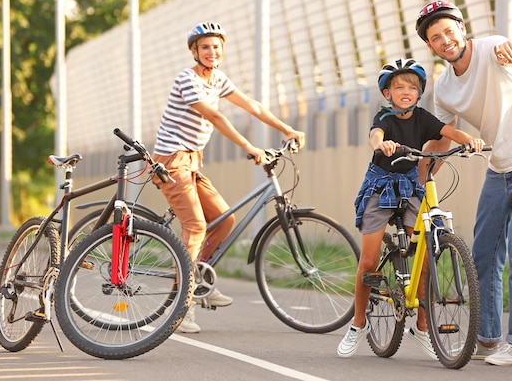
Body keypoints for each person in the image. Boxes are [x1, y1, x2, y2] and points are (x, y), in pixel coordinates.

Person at [415, 0, 512, 366]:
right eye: (436, 37)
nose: (445, 40)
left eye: (449, 31)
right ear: (430, 46)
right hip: (500, 163)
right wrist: (417, 176)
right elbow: (440, 138)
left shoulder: (493, 48)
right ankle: (486, 338)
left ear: (462, 28)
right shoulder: (444, 88)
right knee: (483, 253)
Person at [151, 21, 306, 333]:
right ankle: (183, 304)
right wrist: (250, 147)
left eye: (216, 46)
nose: (212, 52)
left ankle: (199, 279)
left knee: (224, 220)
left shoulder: (217, 79)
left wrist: (286, 129)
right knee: (195, 227)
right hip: (171, 161)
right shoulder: (187, 79)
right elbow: (215, 115)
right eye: (205, 47)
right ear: (194, 51)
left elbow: (251, 106)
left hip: (193, 161)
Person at [336, 58, 485, 358]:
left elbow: (447, 132)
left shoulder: (423, 117)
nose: (406, 91)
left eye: (412, 87)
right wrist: (381, 145)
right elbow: (374, 135)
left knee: (426, 253)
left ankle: (421, 326)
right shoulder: (385, 118)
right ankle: (359, 322)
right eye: (398, 87)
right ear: (387, 93)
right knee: (368, 260)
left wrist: (470, 140)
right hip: (380, 186)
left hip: (410, 185)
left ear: (419, 92)